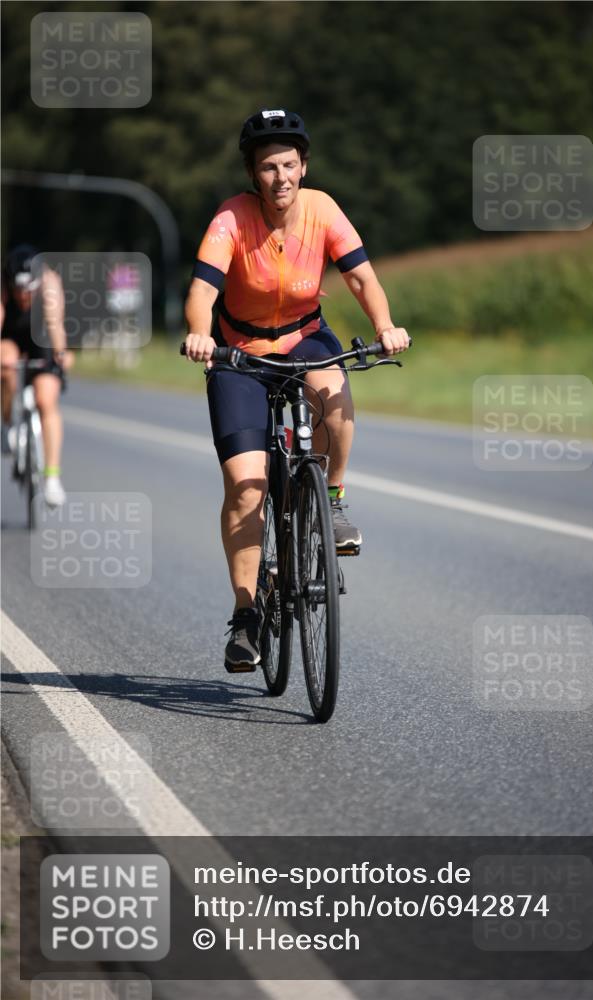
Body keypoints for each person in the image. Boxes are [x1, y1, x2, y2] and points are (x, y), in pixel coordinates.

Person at [183, 108, 410, 672]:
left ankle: (330, 500)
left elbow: (360, 275)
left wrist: (384, 325)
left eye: (288, 164)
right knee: (245, 486)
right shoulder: (231, 219)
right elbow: (203, 290)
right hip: (240, 355)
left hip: (305, 337)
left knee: (334, 388)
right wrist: (198, 333)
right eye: (267, 167)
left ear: (303, 166)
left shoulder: (323, 209)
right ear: (252, 174)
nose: (280, 177)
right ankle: (245, 616)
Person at [1, 244, 69, 506]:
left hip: (40, 335)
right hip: (11, 336)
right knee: (6, 363)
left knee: (46, 400)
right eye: (18, 291)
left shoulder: (49, 281)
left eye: (28, 291)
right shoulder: (4, 285)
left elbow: (54, 323)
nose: (23, 297)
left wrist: (60, 356)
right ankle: (7, 424)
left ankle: (51, 478)